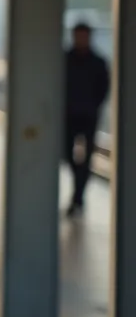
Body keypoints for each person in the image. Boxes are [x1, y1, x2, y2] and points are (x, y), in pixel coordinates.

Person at [63, 22, 110, 216]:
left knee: (86, 158)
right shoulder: (65, 59)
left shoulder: (98, 62)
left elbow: (104, 88)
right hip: (69, 115)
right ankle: (78, 192)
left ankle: (78, 196)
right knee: (67, 154)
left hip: (89, 116)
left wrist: (93, 105)